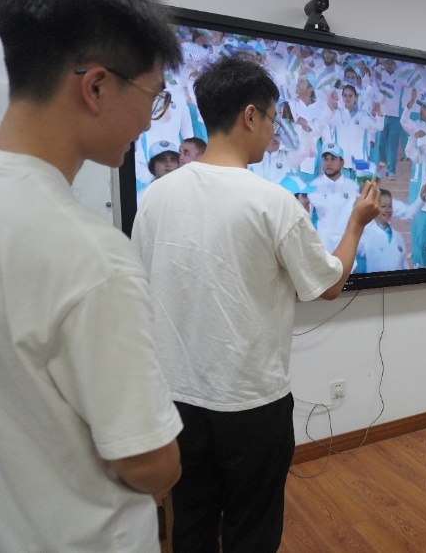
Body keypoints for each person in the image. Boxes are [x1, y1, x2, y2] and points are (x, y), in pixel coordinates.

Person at [131, 56, 379, 553]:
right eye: (271, 118)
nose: (272, 130)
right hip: (251, 403)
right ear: (249, 116)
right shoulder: (273, 202)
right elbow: (329, 284)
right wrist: (356, 223)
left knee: (192, 522)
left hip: (178, 399)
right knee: (253, 530)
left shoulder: (157, 196)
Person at [0, 0, 184, 551]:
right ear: (96, 87)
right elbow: (151, 465)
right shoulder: (93, 257)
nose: (149, 120)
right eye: (154, 96)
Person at [356, 188, 409, 273]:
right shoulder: (365, 236)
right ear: (374, 208)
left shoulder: (398, 238)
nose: (387, 210)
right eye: (383, 206)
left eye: (390, 206)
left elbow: (404, 266)